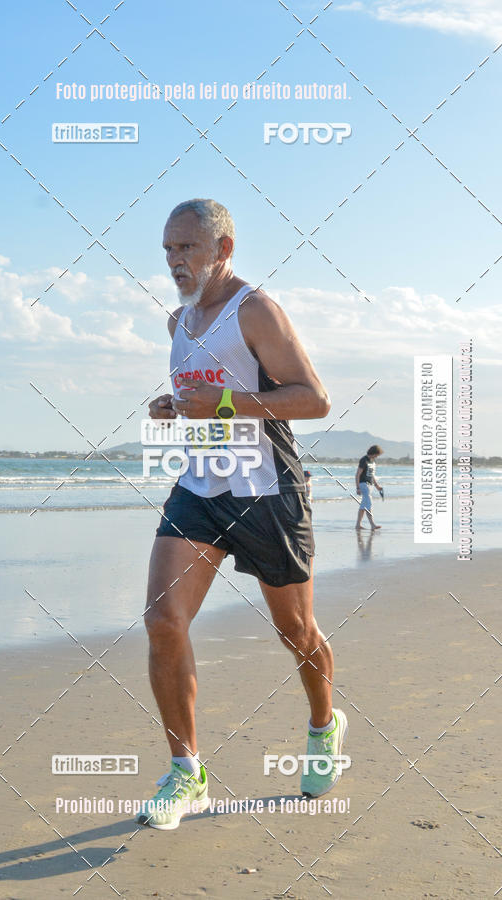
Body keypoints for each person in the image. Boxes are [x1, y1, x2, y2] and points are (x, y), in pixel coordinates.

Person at [137, 198, 348, 831]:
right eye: (169, 250)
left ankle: (323, 727)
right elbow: (202, 399)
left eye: (188, 249)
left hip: (268, 495)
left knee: (296, 633)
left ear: (223, 249)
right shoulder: (177, 320)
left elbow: (312, 400)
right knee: (163, 621)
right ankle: (186, 771)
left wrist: (222, 401)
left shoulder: (255, 310)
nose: (176, 261)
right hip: (200, 491)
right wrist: (175, 407)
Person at [355, 444, 384, 531]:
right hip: (363, 484)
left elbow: (372, 475)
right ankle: (372, 525)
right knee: (368, 505)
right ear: (373, 452)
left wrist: (377, 486)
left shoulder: (373, 461)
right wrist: (358, 487)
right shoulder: (364, 460)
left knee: (363, 506)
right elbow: (358, 474)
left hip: (370, 485)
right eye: (377, 454)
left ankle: (358, 525)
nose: (377, 456)